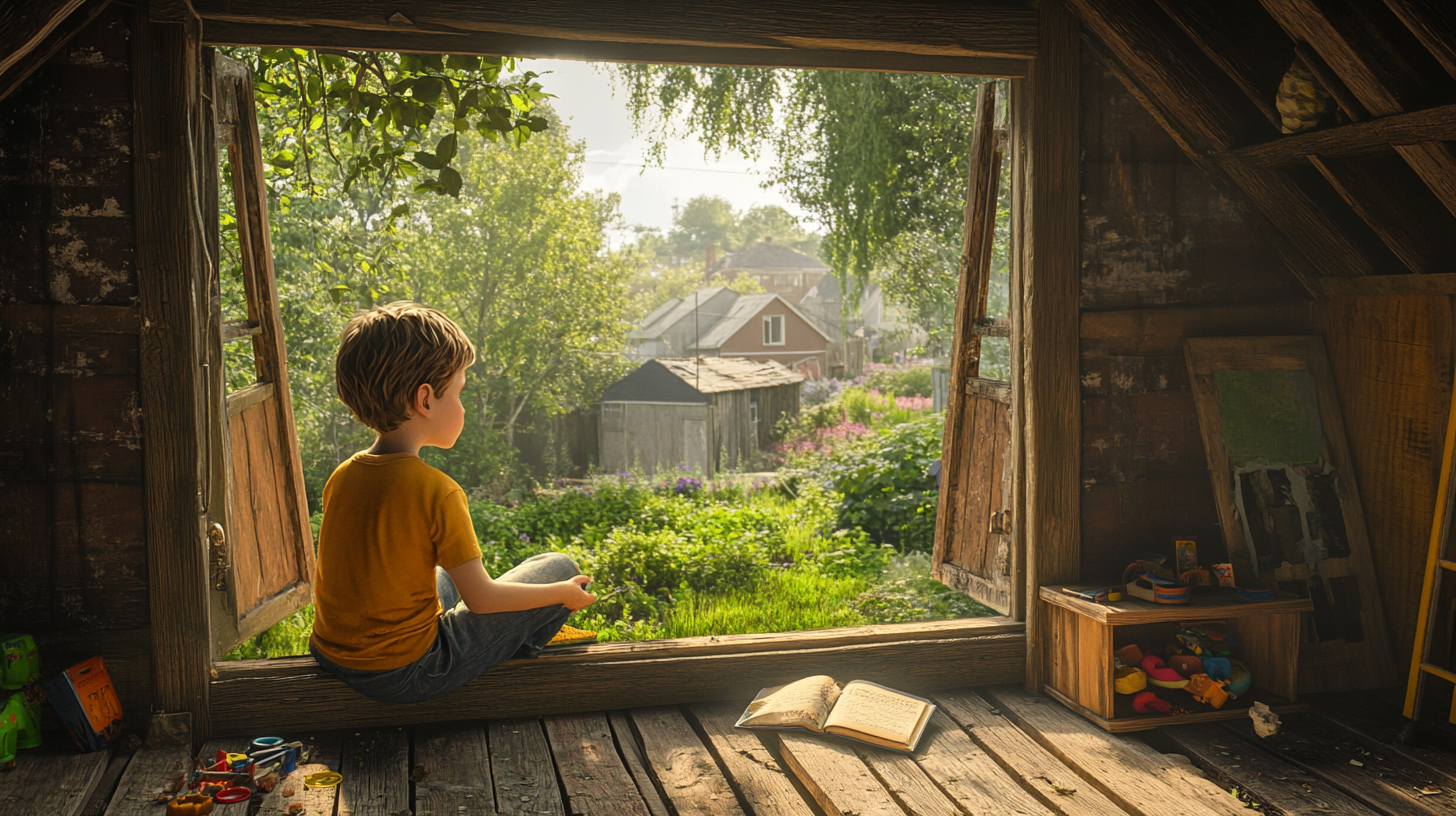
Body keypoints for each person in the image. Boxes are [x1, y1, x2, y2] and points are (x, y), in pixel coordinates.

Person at [308, 301, 597, 703]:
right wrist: (562, 594)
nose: (462, 407)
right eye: (459, 393)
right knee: (559, 567)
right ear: (425, 400)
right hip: (407, 672)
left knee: (441, 580)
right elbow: (482, 599)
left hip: (333, 655)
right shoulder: (437, 490)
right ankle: (517, 650)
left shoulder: (343, 475)